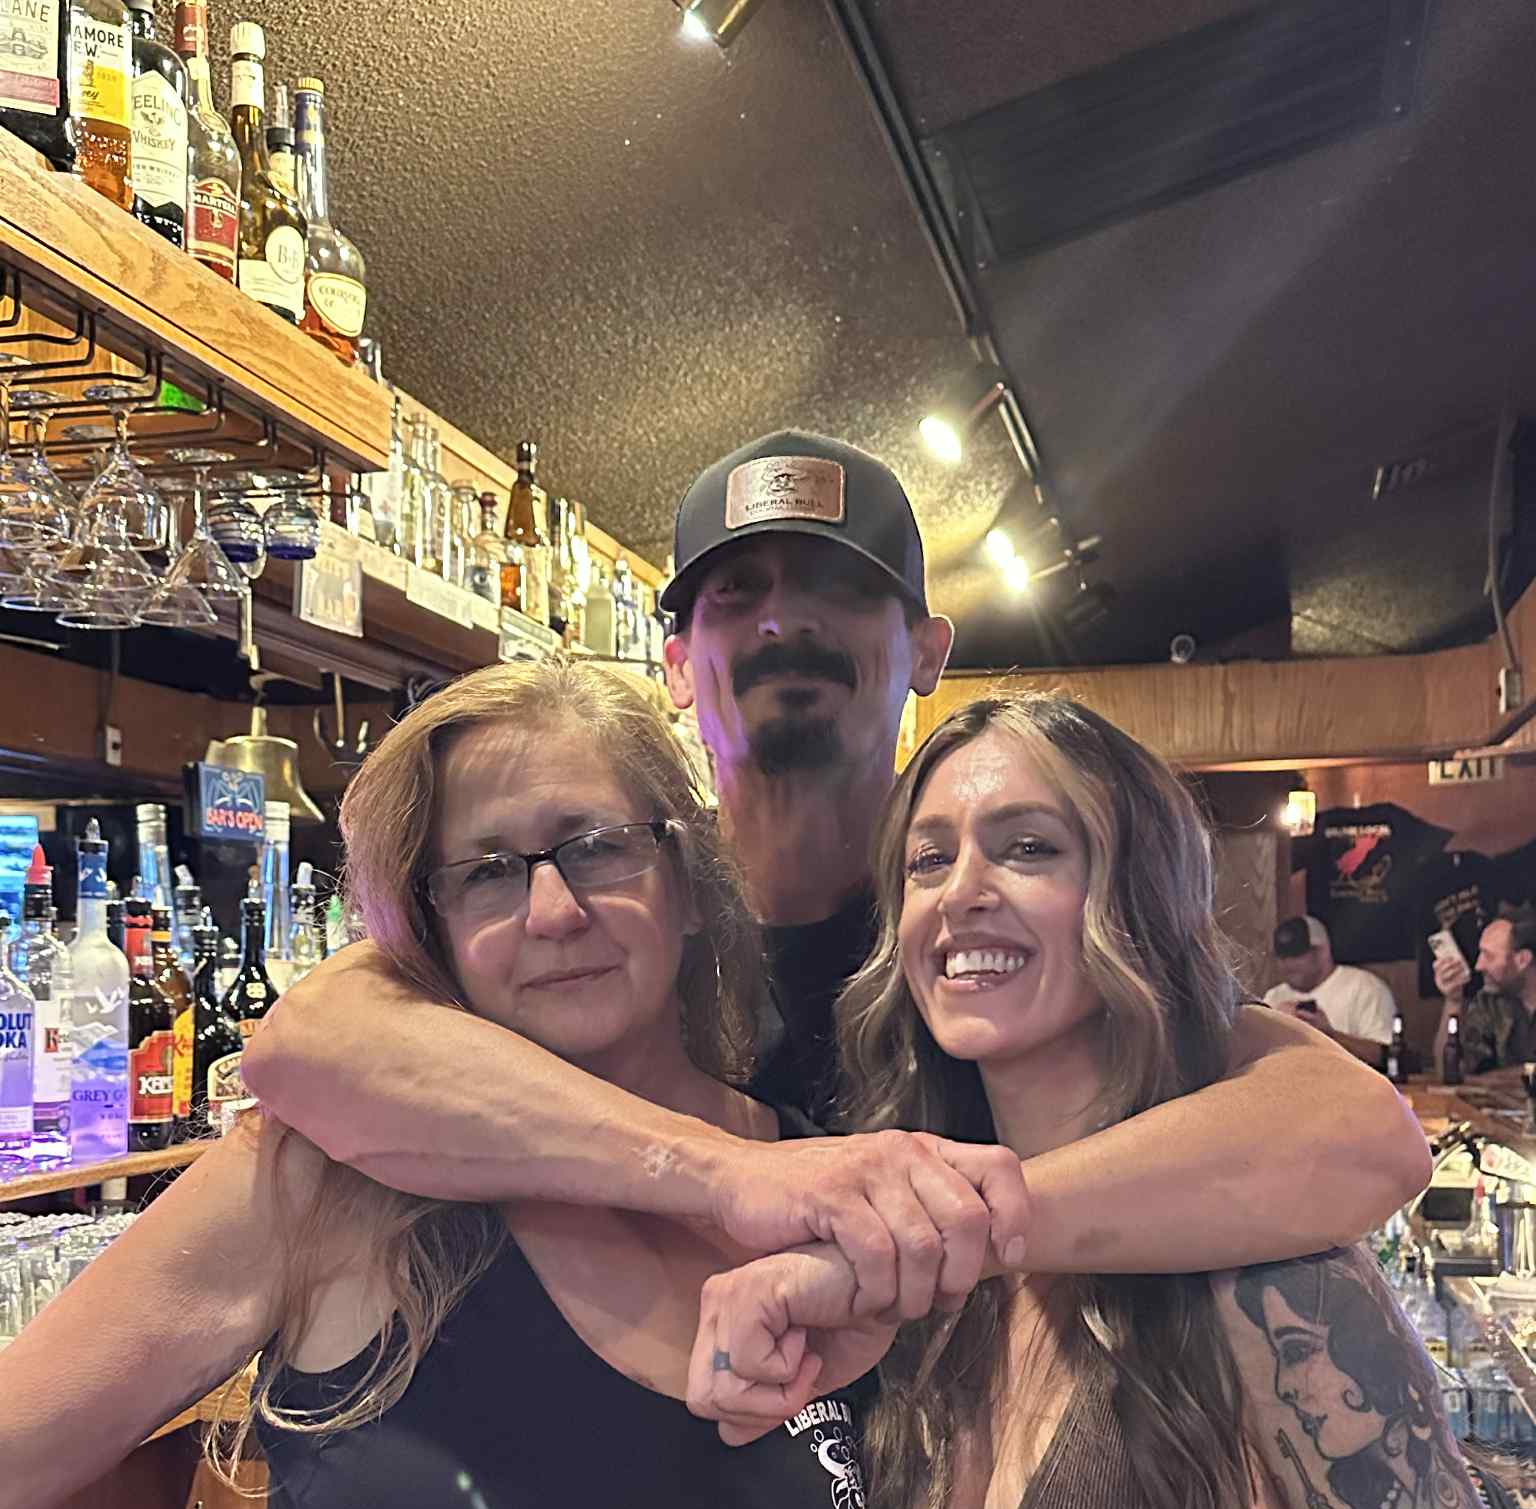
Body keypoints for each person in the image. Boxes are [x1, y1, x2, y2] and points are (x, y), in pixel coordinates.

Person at [1, 660, 1018, 1509]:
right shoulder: (319, 1184)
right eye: (486, 872)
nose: (551, 909)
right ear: (429, 928)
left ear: (686, 873)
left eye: (595, 846)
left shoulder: (826, 1198)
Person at [689, 693, 1536, 1509]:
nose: (962, 890)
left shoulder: (1276, 1285)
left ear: (1132, 901)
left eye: (1029, 846)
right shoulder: (921, 1254)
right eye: (928, 858)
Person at [244, 432, 1428, 1303]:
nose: (784, 619)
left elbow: (1360, 1132)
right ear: (676, 662)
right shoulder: (611, 920)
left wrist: (947, 1236)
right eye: (737, 593)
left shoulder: (988, 938)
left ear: (927, 650)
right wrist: (727, 1176)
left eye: (841, 585)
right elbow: (308, 1041)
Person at [1264, 913, 1396, 1065]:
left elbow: (1384, 1056)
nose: (1287, 963)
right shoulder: (1274, 997)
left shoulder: (1365, 988)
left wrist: (1329, 1035)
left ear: (1322, 951)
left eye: (1296, 954)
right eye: (1281, 956)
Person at [1432, 910, 1536, 1075]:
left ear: (1523, 959)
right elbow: (1450, 1071)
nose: (1479, 966)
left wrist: (1494, 1078)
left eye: (1489, 956)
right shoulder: (1488, 1003)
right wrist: (1453, 1001)